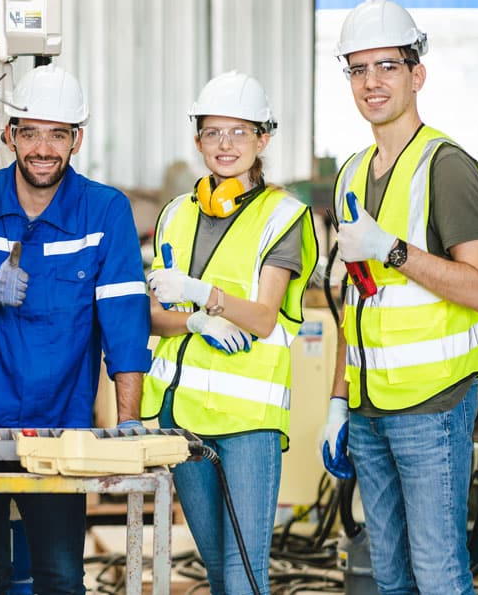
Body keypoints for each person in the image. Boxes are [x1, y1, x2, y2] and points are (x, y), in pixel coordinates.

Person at [0, 64, 150, 595]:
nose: (43, 147)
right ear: (8, 136)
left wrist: (127, 424)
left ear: (77, 140)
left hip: (60, 428)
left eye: (58, 133)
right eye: (30, 132)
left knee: (61, 575)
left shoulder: (104, 211)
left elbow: (123, 320)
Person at [319, 0, 478, 594]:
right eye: (358, 69)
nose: (372, 82)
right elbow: (355, 304)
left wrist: (393, 249)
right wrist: (337, 401)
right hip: (371, 407)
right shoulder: (352, 171)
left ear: (416, 74)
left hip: (431, 405)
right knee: (390, 576)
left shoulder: (446, 166)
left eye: (387, 66)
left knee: (437, 573)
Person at [141, 70, 317, 594]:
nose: (225, 145)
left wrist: (203, 295)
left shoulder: (281, 216)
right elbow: (147, 315)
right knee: (217, 568)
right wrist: (194, 320)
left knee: (244, 574)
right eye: (213, 132)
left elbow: (264, 317)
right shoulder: (174, 215)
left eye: (240, 132)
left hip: (247, 421)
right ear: (197, 139)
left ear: (263, 139)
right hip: (182, 414)